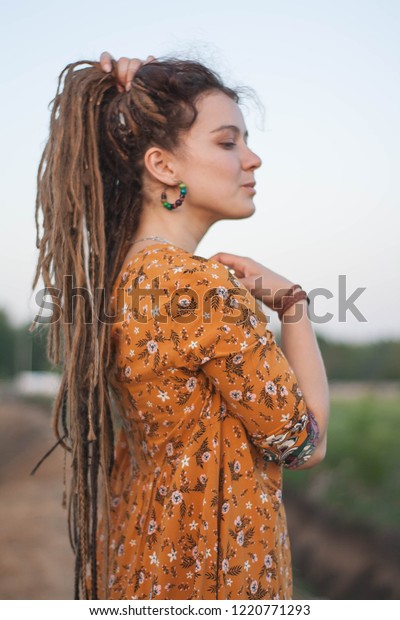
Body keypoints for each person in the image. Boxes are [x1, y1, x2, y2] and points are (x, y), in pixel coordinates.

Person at [30, 51, 329, 600]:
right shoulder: (198, 288)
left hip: (145, 567)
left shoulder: (122, 282)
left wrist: (137, 98)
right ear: (164, 166)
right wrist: (293, 307)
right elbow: (305, 445)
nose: (253, 158)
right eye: (228, 141)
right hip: (213, 581)